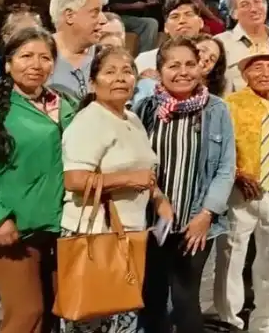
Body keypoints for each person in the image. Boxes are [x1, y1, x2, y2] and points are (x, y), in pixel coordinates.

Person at [59, 46, 166, 333]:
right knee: (91, 317)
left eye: (127, 71)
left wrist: (158, 198)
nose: (120, 78)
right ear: (93, 82)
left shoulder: (130, 118)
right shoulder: (89, 121)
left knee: (122, 318)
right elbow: (75, 180)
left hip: (128, 233)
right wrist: (129, 179)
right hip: (95, 235)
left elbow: (145, 170)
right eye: (110, 72)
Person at [134, 37, 236, 333]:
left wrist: (206, 215)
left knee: (185, 298)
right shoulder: (144, 109)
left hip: (197, 224)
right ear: (159, 70)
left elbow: (225, 168)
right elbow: (137, 164)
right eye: (173, 65)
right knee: (151, 298)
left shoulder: (216, 110)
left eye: (190, 64)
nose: (183, 72)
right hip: (152, 222)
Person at [0, 28, 76, 333]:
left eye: (44, 57)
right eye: (26, 56)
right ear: (8, 64)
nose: (36, 64)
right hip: (13, 228)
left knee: (48, 316)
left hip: (59, 227)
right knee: (26, 314)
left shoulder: (65, 105)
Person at [214, 46, 269, 333]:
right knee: (232, 254)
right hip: (241, 191)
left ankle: (264, 320)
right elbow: (223, 148)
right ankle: (230, 318)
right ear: (244, 73)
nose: (265, 74)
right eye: (257, 67)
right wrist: (238, 174)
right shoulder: (231, 104)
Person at [217, 0, 269, 94]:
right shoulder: (220, 44)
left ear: (265, 5)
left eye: (257, 2)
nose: (254, 9)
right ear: (234, 13)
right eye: (245, 4)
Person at [49, 0, 108, 100]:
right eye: (95, 13)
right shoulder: (39, 56)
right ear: (70, 16)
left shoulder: (103, 57)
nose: (104, 20)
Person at [136, 0, 206, 73]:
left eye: (188, 14)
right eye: (175, 17)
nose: (182, 20)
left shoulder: (212, 58)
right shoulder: (145, 60)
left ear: (201, 22)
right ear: (166, 27)